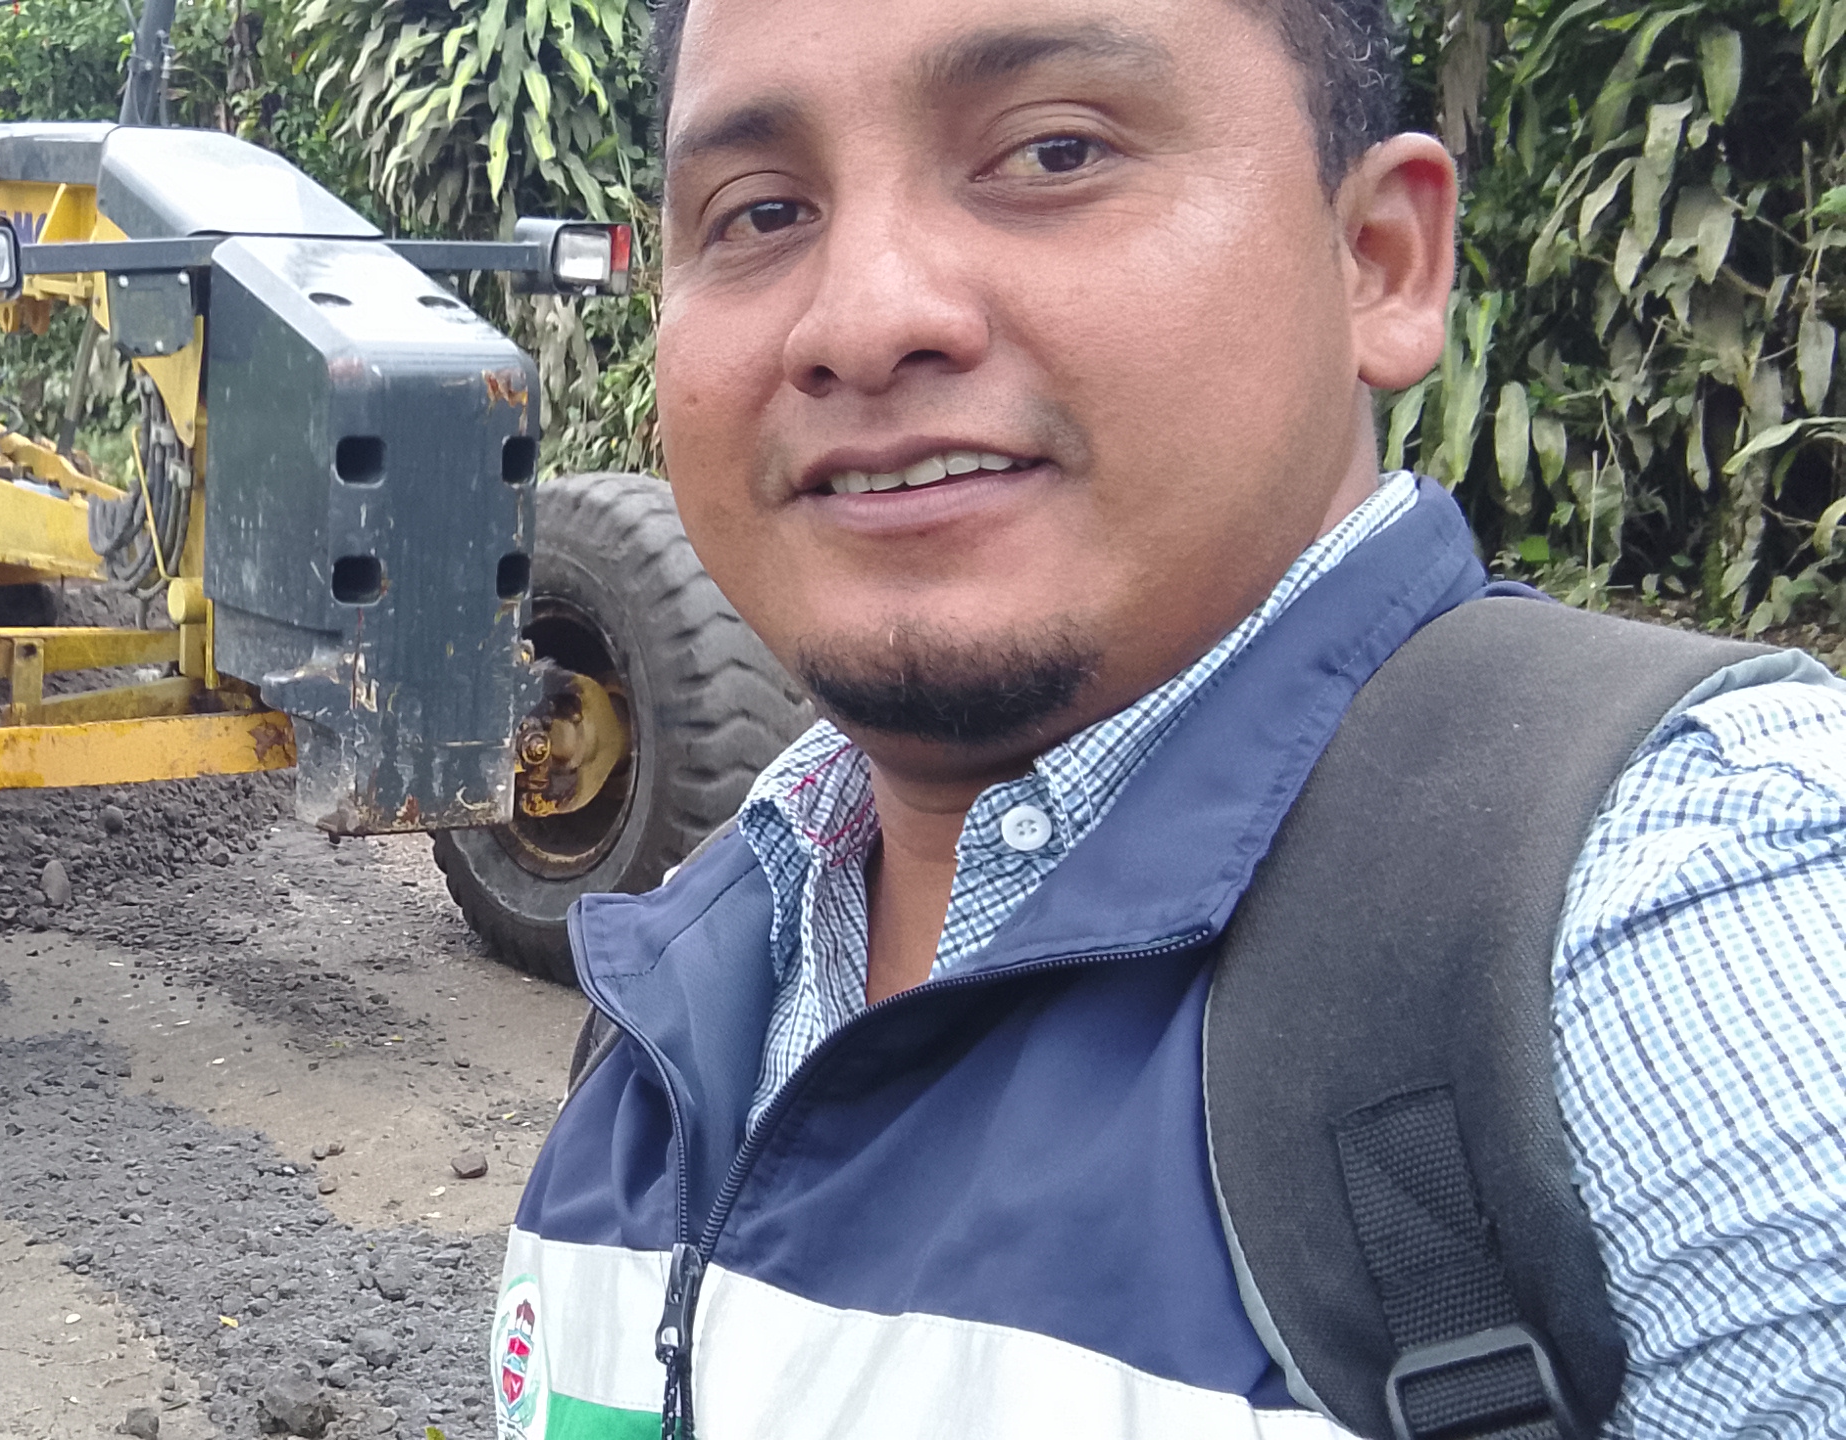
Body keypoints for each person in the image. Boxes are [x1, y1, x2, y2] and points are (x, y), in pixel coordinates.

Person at [497, 1, 1846, 1436]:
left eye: (1054, 152)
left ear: (1378, 259)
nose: (862, 322)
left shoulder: (1693, 924)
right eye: (761, 213)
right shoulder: (697, 962)